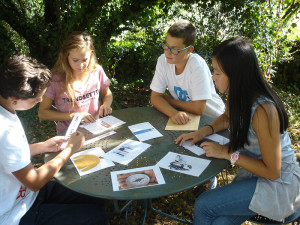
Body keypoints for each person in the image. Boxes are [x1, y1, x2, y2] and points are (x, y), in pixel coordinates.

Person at [175, 37, 300, 224]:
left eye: (217, 72)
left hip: (278, 185)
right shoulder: (237, 94)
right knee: (219, 222)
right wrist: (202, 132)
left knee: (203, 204)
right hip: (253, 176)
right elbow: (226, 119)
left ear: (235, 74)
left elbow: (273, 171)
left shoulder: (264, 111)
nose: (212, 77)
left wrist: (227, 153)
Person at [0, 55, 108, 225]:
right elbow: (35, 182)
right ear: (15, 100)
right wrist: (69, 150)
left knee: (95, 194)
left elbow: (7, 155)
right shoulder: (4, 128)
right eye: (36, 100)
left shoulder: (6, 109)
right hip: (16, 213)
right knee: (96, 216)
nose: (41, 101)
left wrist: (41, 146)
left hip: (27, 193)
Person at [150, 20, 225, 125]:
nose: (168, 52)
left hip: (213, 119)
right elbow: (155, 97)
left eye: (174, 49)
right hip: (188, 119)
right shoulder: (163, 61)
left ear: (189, 49)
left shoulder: (197, 65)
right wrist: (173, 113)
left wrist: (171, 101)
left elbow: (199, 108)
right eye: (166, 46)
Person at [38, 31, 113, 134]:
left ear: (91, 55)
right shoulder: (56, 79)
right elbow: (42, 113)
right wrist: (74, 116)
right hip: (69, 133)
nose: (81, 65)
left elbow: (107, 93)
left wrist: (106, 105)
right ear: (66, 56)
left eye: (85, 60)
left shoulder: (96, 71)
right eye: (75, 60)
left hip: (95, 128)